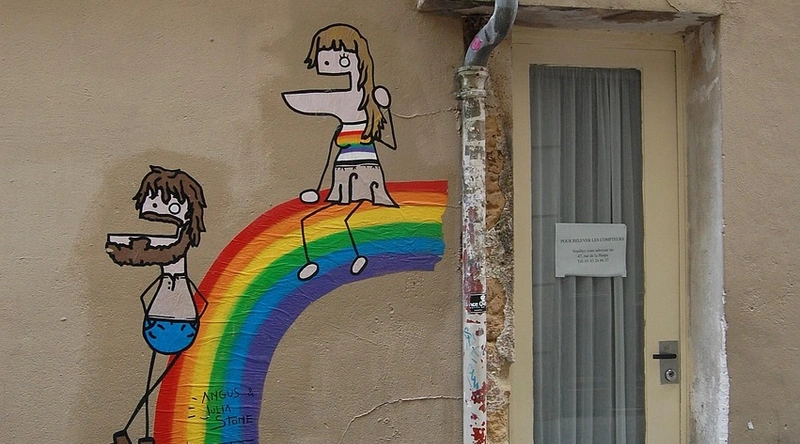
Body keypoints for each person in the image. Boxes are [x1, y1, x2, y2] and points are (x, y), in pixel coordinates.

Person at [282, 23, 397, 281]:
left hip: (366, 173)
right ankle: (313, 261)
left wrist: (386, 108)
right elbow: (327, 158)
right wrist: (316, 189)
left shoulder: (371, 100)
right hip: (342, 175)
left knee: (348, 219)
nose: (326, 65)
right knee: (312, 220)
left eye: (335, 57)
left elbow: (389, 141)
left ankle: (358, 255)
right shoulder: (343, 106)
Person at [105, 166, 208, 444]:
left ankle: (137, 431)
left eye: (169, 204)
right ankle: (145, 435)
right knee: (155, 374)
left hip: (174, 318)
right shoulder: (173, 242)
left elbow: (164, 255)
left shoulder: (179, 244)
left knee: (157, 377)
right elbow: (156, 253)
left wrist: (129, 252)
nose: (157, 211)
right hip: (169, 316)